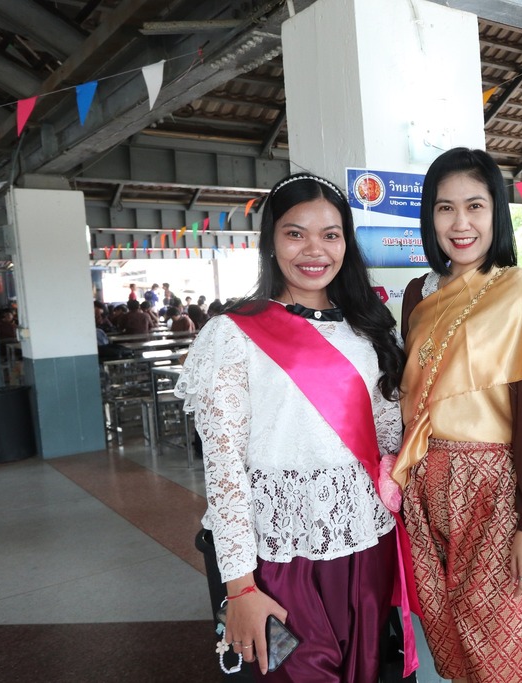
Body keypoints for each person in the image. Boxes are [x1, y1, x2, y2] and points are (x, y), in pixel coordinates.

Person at [175, 172, 408, 680]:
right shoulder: (232, 334)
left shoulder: (368, 329)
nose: (314, 250)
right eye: (295, 233)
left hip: (367, 545)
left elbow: (387, 443)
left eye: (330, 234)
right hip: (277, 555)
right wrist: (239, 586)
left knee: (365, 672)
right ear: (271, 241)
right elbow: (224, 470)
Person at [389, 147, 522, 683]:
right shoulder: (417, 295)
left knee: (503, 657)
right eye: (445, 208)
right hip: (424, 490)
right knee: (453, 653)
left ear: (496, 213)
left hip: (496, 492)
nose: (460, 224)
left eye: (475, 206)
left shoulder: (519, 290)